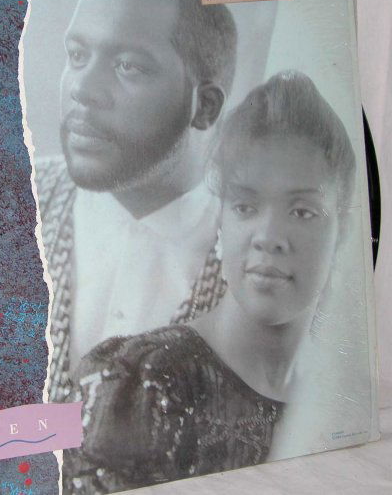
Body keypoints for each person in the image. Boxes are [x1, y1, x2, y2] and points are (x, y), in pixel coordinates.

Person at [63, 71, 357, 494]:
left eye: (302, 212)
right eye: (245, 206)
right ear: (220, 225)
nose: (268, 236)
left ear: (342, 232)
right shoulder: (139, 383)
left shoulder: (339, 398)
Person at [35, 0, 238, 402]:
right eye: (77, 55)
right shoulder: (9, 205)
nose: (83, 89)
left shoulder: (258, 260)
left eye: (128, 66)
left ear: (204, 107)